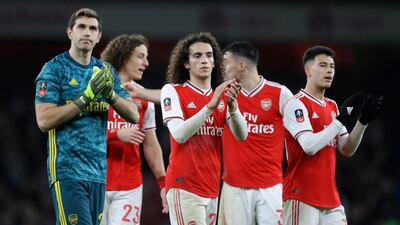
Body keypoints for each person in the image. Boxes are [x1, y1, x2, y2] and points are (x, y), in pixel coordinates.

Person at [34, 8, 139, 225]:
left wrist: (110, 94)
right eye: (81, 27)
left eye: (93, 28)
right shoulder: (54, 69)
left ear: (99, 36)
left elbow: (133, 114)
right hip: (67, 171)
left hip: (98, 173)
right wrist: (85, 98)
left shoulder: (105, 71)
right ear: (69, 32)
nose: (87, 32)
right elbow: (44, 121)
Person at [282, 45, 383, 225]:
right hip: (301, 197)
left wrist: (362, 122)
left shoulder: (332, 106)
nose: (329, 70)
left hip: (331, 201)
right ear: (308, 70)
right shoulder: (296, 104)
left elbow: (346, 148)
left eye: (332, 66)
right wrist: (341, 120)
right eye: (322, 65)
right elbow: (309, 146)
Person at [160, 32, 248, 225]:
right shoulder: (173, 91)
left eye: (209, 55)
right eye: (197, 56)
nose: (204, 60)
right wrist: (209, 108)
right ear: (186, 63)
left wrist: (233, 108)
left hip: (212, 186)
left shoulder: (222, 97)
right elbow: (179, 135)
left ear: (215, 62)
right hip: (184, 185)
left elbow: (242, 135)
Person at [218, 41, 293, 225]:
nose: (221, 67)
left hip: (271, 187)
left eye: (226, 62)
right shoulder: (223, 95)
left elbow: (299, 137)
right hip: (234, 187)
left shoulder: (280, 93)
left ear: (242, 65)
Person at [99, 34, 168, 225]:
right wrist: (116, 135)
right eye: (141, 56)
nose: (146, 63)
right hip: (93, 183)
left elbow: (151, 145)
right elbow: (78, 136)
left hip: (129, 186)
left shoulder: (144, 99)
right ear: (123, 56)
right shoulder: (94, 93)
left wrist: (163, 183)